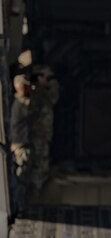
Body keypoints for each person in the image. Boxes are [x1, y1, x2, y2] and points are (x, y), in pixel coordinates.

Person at [21, 51, 59, 195]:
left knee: (40, 159)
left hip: (42, 130)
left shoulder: (47, 89)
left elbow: (53, 97)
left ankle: (35, 185)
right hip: (34, 129)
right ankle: (30, 184)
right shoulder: (35, 87)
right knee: (33, 157)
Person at [9, 74, 34, 214]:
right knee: (21, 176)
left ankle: (20, 205)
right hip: (20, 146)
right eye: (26, 85)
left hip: (19, 144)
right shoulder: (19, 105)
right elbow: (32, 112)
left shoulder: (17, 102)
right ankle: (19, 207)